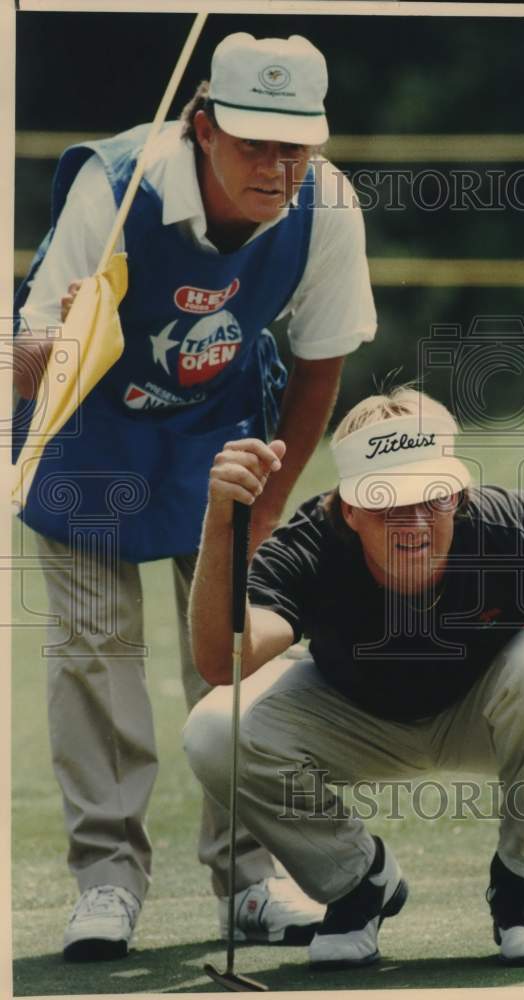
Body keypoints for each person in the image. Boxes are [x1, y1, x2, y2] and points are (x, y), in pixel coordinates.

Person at [12, 33, 376, 960]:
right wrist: (54, 348)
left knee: (231, 655)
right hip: (88, 428)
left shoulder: (327, 206)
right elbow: (29, 359)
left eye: (295, 146)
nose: (277, 166)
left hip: (222, 425)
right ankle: (106, 882)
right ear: (201, 126)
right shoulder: (118, 184)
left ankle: (251, 876)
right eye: (254, 142)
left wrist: (270, 508)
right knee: (95, 651)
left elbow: (317, 368)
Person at [184, 386, 524, 969]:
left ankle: (519, 883)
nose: (416, 522)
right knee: (215, 729)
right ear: (348, 508)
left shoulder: (517, 528)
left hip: (484, 712)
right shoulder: (311, 546)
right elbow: (224, 662)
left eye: (434, 498)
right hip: (354, 717)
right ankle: (359, 881)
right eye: (388, 502)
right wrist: (222, 519)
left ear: (459, 492)